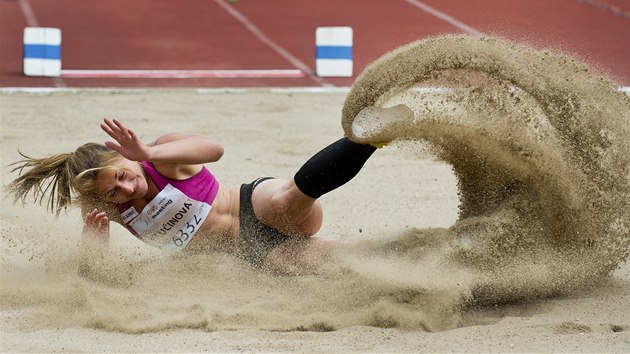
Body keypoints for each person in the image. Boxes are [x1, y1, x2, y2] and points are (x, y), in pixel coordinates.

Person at [6, 105, 414, 276]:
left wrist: (149, 151)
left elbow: (214, 149)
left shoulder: (160, 156)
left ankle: (368, 137)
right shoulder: (109, 210)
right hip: (251, 254)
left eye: (123, 175)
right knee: (332, 264)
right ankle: (425, 256)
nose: (126, 188)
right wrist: (92, 243)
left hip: (254, 207)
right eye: (114, 192)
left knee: (286, 199)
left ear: (123, 157)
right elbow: (100, 279)